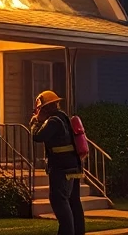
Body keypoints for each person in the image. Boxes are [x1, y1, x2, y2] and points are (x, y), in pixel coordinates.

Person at [29, 90, 85, 235]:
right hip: (74, 167)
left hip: (61, 168)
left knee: (59, 200)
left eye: (39, 109)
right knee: (73, 202)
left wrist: (35, 122)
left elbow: (38, 136)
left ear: (45, 108)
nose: (38, 112)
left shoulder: (53, 121)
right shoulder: (64, 117)